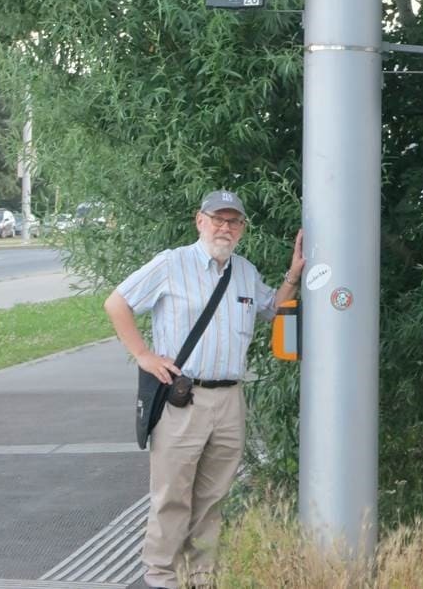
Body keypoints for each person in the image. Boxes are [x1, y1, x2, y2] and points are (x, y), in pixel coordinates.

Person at [104, 190, 304, 589]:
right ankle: (161, 577)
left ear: (242, 229)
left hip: (230, 399)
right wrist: (143, 354)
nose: (225, 227)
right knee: (172, 496)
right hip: (183, 398)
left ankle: (201, 577)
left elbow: (272, 309)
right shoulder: (171, 263)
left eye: (233, 221)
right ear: (200, 221)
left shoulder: (244, 271)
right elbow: (117, 303)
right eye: (218, 219)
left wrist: (294, 274)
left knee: (213, 497)